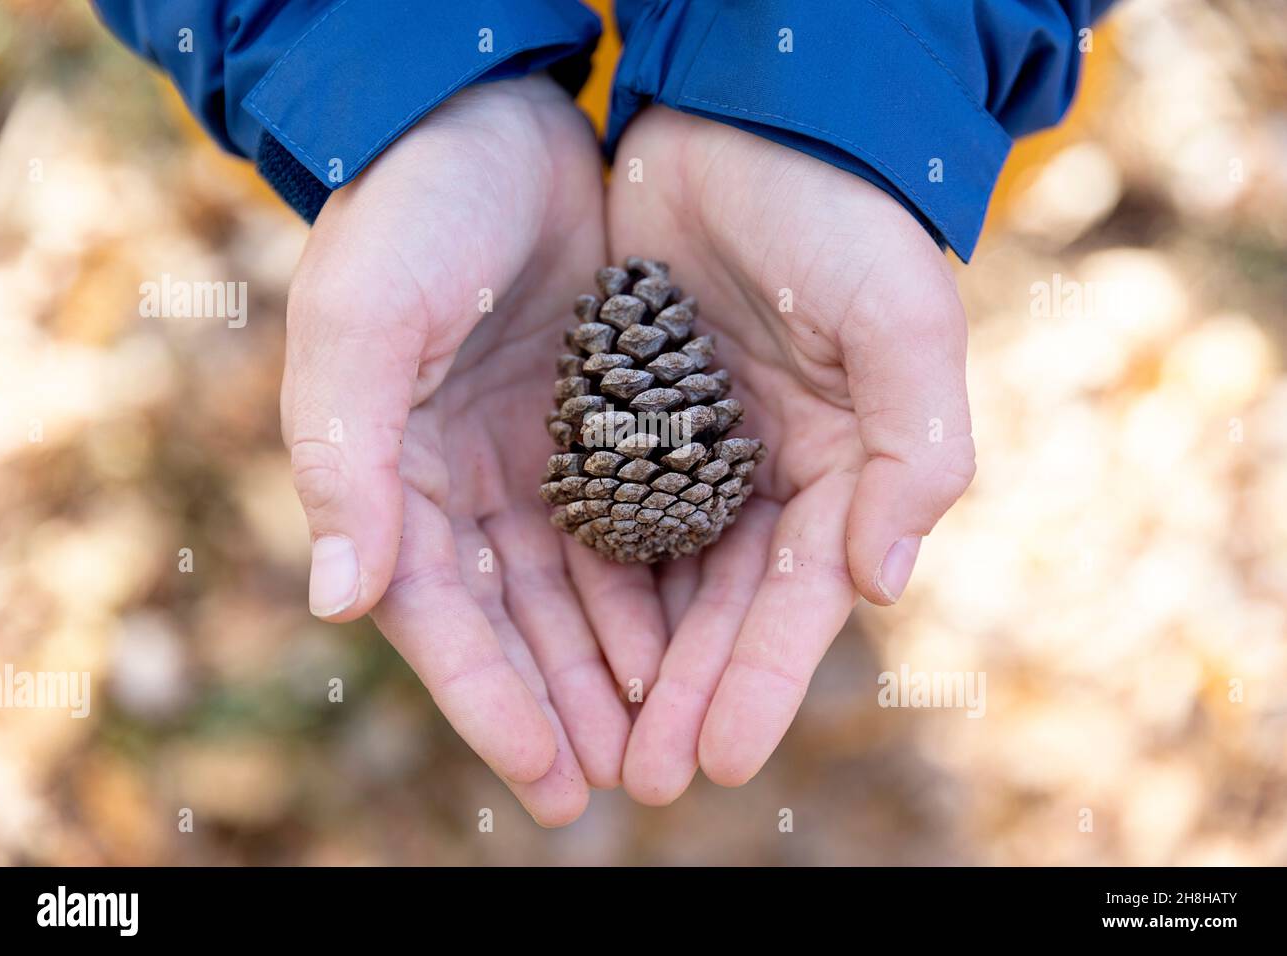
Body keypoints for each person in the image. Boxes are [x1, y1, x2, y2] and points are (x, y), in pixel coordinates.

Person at [94, 0, 1115, 825]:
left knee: (874, 304)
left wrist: (845, 95)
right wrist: (397, 85)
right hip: (355, 83)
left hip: (900, 89)